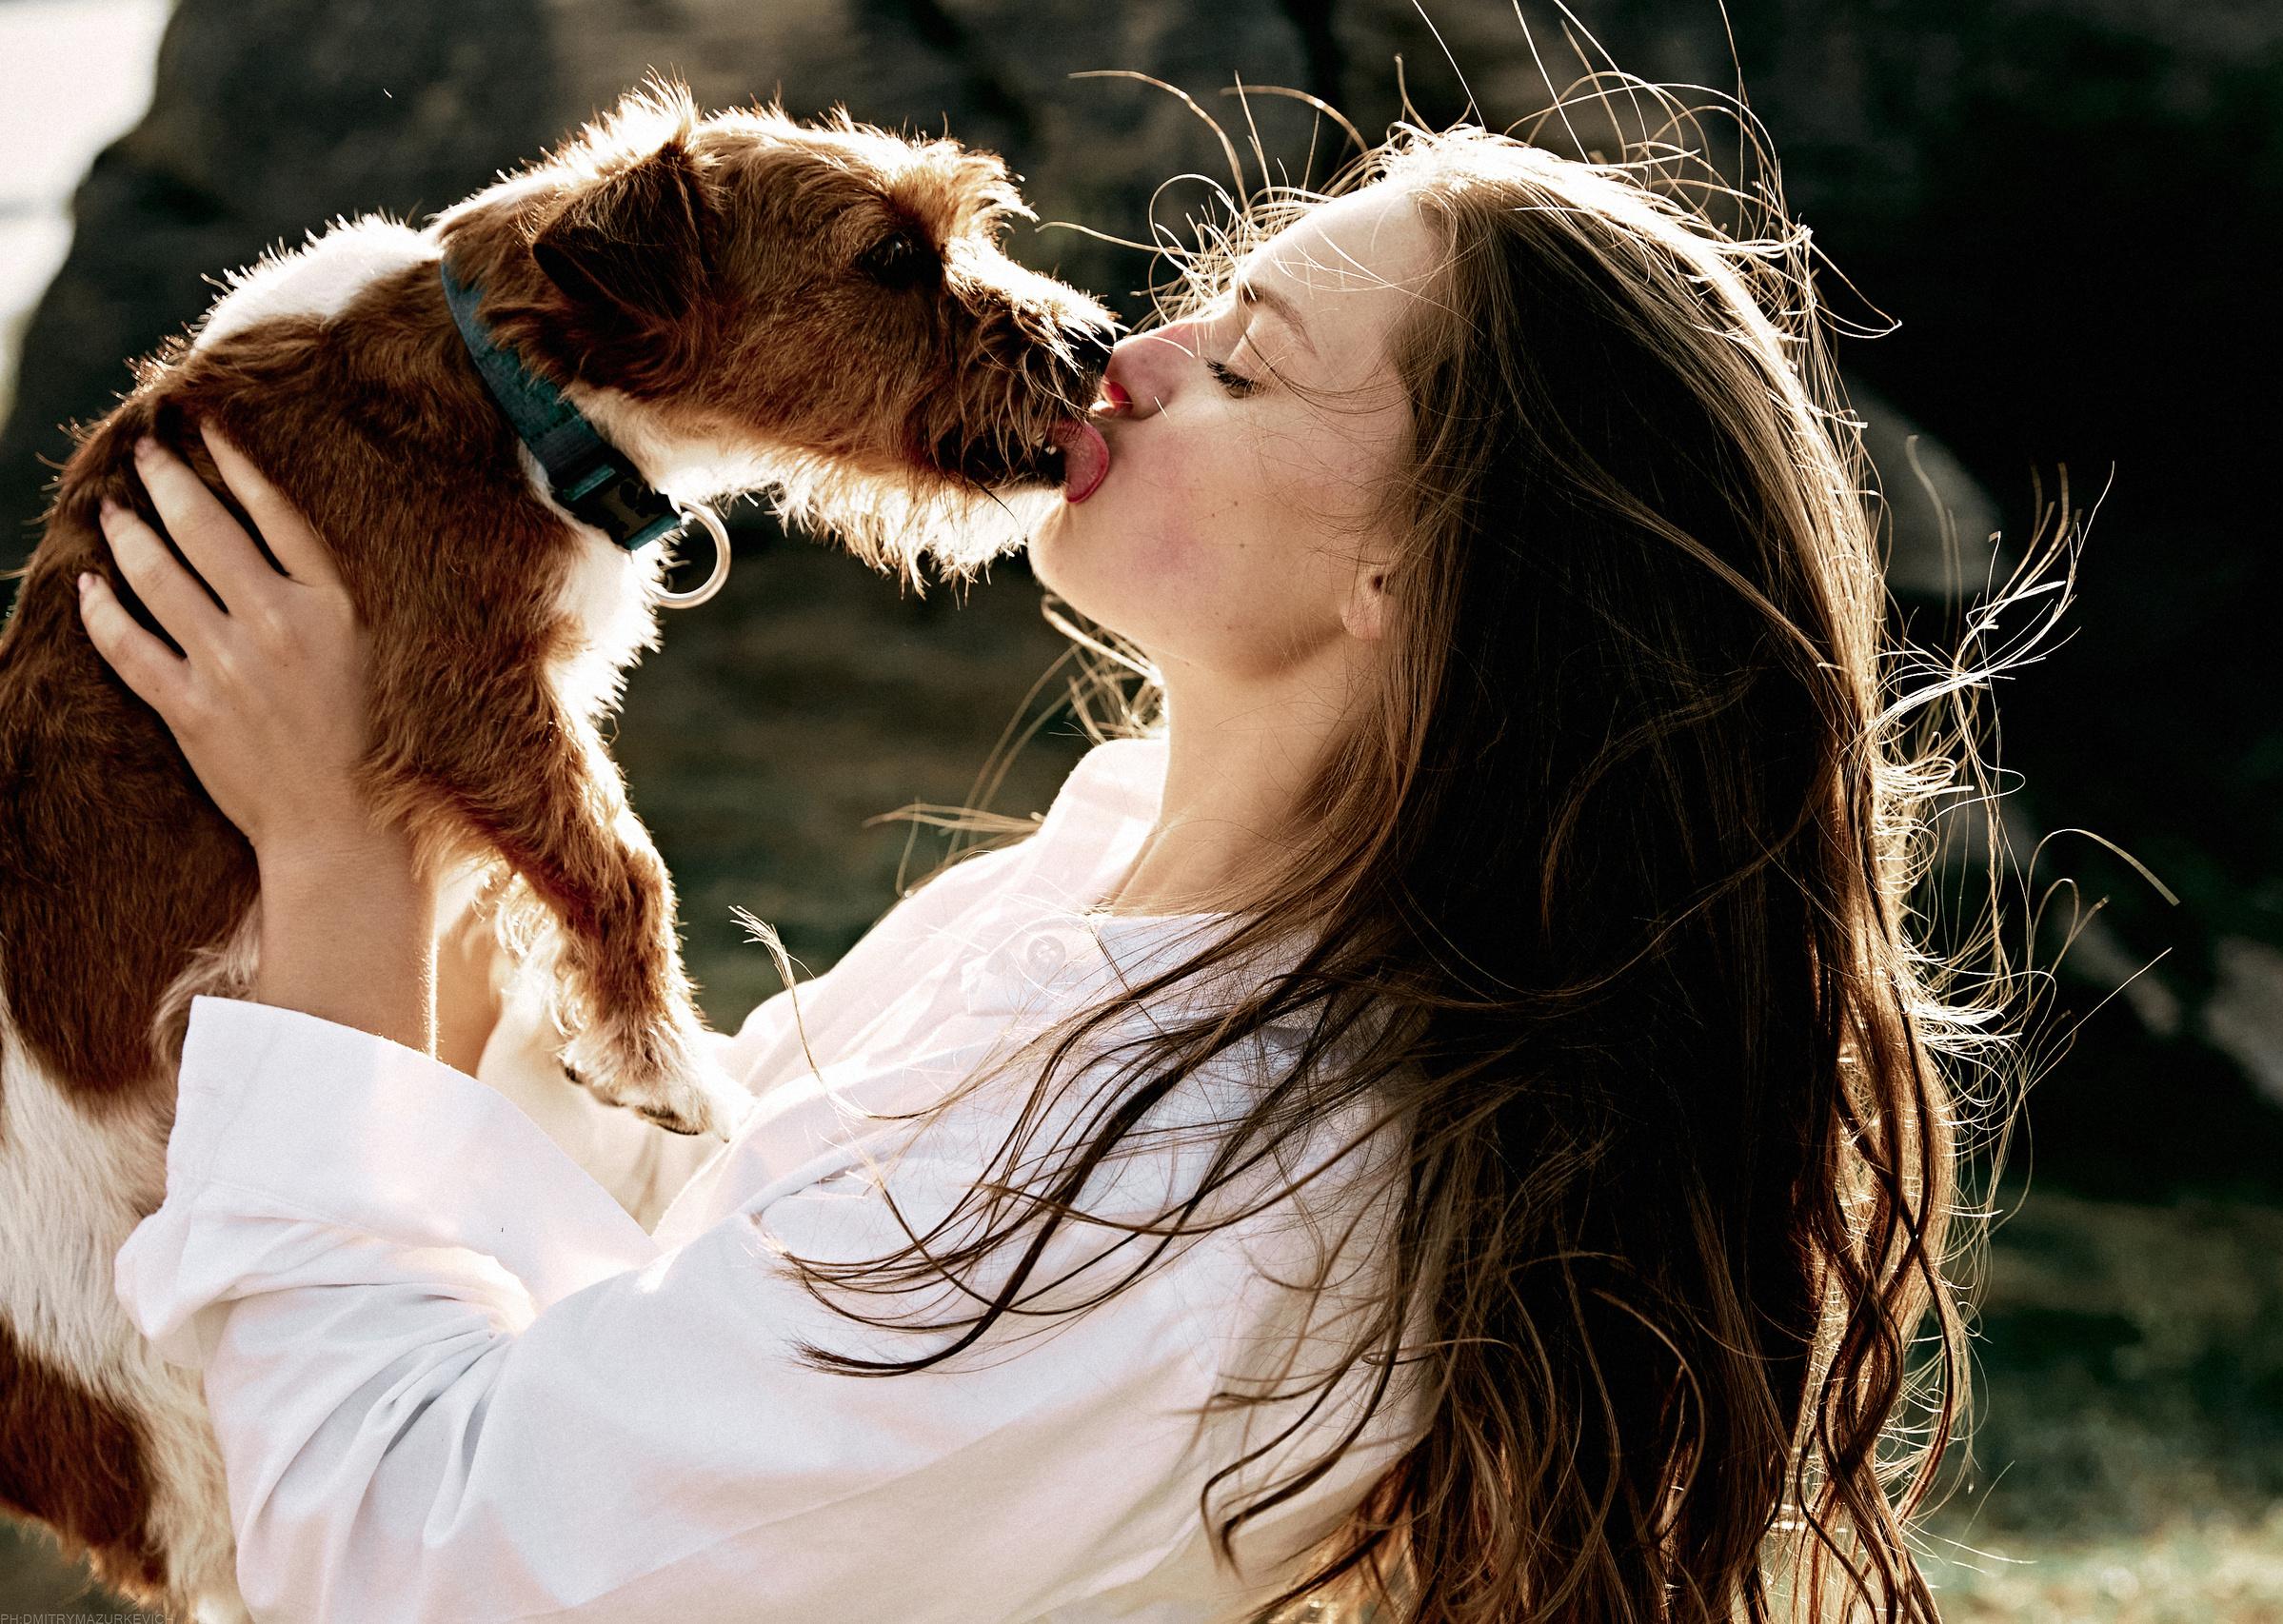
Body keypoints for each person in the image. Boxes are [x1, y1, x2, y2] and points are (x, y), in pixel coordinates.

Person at [81, 120, 1977, 1623]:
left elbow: (410, 1568)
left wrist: (336, 849)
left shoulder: (1172, 1199)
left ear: (1413, 569)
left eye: (1243, 365)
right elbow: (724, 1263)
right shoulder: (1111, 874)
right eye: (1206, 303)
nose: (1120, 352)